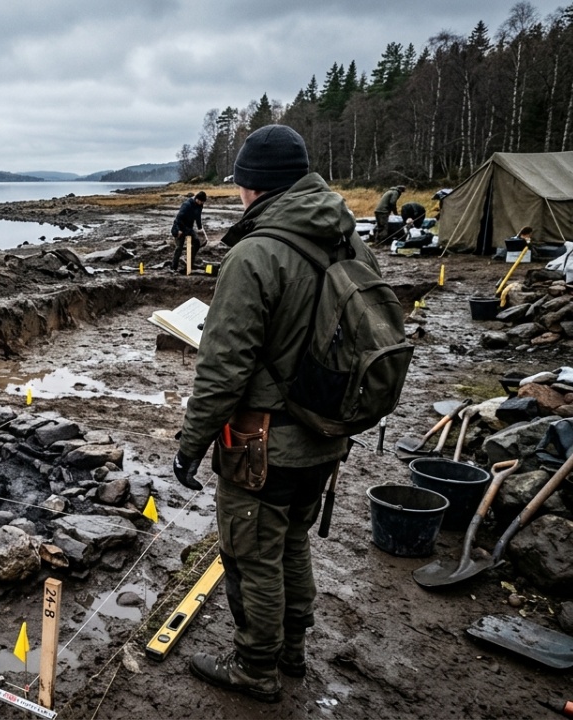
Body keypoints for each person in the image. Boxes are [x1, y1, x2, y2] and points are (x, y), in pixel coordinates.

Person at [172, 124, 376, 703]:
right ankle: (292, 652)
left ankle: (255, 670)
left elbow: (222, 369)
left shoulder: (255, 253)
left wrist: (191, 444)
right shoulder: (349, 241)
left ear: (253, 187)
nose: (237, 192)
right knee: (292, 542)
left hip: (264, 445)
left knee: (251, 555)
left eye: (239, 183)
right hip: (327, 435)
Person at [170, 190, 207, 272]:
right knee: (179, 248)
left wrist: (201, 229)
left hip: (189, 228)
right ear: (197, 199)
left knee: (196, 243)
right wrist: (179, 230)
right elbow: (178, 219)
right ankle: (173, 267)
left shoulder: (200, 205)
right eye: (201, 201)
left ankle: (189, 265)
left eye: (203, 202)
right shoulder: (186, 205)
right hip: (180, 227)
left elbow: (198, 217)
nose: (202, 203)